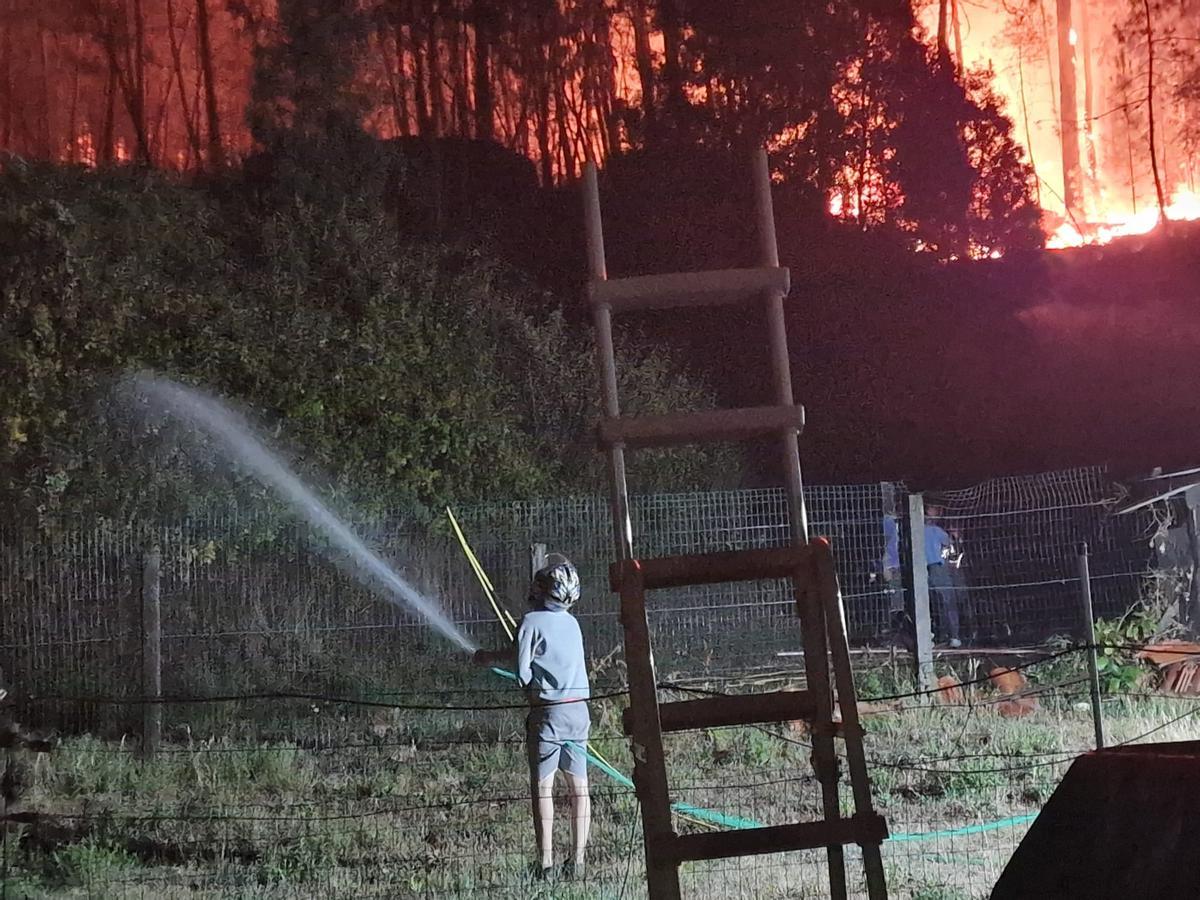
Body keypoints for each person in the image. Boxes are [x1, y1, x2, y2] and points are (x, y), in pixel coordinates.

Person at [474, 554, 591, 880]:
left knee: (543, 789)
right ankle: (578, 862)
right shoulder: (572, 623)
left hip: (548, 715)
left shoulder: (528, 622)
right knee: (579, 789)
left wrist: (491, 662)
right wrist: (494, 656)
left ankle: (546, 864)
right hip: (580, 712)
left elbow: (523, 673)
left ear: (542, 590)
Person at [925, 504, 964, 648]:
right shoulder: (937, 531)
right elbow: (950, 546)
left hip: (921, 569)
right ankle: (954, 636)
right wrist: (956, 538)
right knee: (948, 602)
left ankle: (933, 636)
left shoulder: (915, 531)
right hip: (938, 569)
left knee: (930, 604)